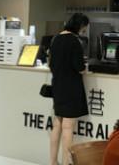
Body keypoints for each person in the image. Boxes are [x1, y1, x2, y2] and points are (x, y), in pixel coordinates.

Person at [49, 13, 89, 165]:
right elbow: (79, 67)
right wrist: (84, 68)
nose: (84, 30)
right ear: (79, 25)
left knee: (57, 125)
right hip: (71, 87)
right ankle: (66, 163)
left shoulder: (56, 38)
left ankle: (53, 162)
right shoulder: (74, 41)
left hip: (58, 85)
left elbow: (51, 64)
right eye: (84, 27)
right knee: (68, 127)